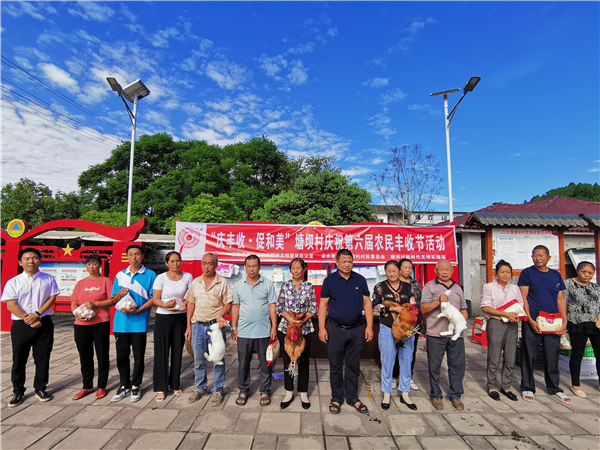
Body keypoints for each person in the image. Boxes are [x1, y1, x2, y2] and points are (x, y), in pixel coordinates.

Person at [1, 248, 60, 407]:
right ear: (20, 262)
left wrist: (37, 314)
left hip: (44, 322)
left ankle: (40, 388)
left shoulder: (49, 279)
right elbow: (11, 305)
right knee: (19, 359)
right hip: (21, 325)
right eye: (26, 258)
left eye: (34, 258)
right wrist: (30, 319)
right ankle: (18, 390)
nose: (31, 261)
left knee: (42, 358)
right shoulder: (13, 282)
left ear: (40, 260)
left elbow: (52, 298)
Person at [319, 249, 374, 415]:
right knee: (335, 365)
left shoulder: (360, 279)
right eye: (343, 261)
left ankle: (352, 397)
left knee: (353, 365)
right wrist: (322, 328)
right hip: (335, 329)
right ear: (337, 263)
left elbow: (367, 303)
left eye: (349, 261)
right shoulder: (329, 281)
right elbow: (323, 305)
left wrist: (369, 326)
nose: (347, 264)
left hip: (356, 329)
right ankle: (336, 397)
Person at [518, 245, 570, 404]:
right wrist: (529, 319)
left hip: (553, 322)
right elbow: (523, 298)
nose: (537, 258)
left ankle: (554, 388)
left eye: (540, 255)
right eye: (534, 255)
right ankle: (527, 387)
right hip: (533, 320)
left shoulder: (555, 275)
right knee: (529, 354)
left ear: (548, 257)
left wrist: (564, 320)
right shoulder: (527, 273)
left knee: (552, 355)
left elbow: (560, 299)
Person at [110, 244, 157, 403]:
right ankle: (124, 385)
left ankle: (136, 385)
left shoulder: (150, 275)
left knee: (138, 357)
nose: (134, 257)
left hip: (139, 323)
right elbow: (114, 299)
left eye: (137, 254)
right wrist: (119, 294)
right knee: (121, 356)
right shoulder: (120, 275)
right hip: (120, 323)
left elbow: (154, 298)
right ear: (127, 256)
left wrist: (139, 310)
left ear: (142, 256)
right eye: (130, 254)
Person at [185, 252, 232, 407]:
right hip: (198, 326)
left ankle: (218, 390)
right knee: (198, 360)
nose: (206, 267)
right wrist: (188, 327)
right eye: (204, 263)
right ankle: (201, 388)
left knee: (218, 360)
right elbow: (190, 303)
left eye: (210, 263)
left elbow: (228, 303)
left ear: (216, 265)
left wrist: (220, 316)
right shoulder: (195, 282)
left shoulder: (222, 282)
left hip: (215, 328)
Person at [421, 260, 468, 411]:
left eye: (447, 269)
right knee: (434, 366)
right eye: (442, 269)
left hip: (456, 335)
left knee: (457, 365)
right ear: (436, 271)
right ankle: (436, 395)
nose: (445, 272)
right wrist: (438, 301)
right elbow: (423, 308)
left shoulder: (458, 288)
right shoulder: (429, 286)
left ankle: (455, 394)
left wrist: (461, 322)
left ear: (452, 271)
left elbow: (464, 308)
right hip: (435, 333)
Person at [231, 255, 277, 407]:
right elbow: (235, 307)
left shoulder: (267, 284)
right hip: (244, 331)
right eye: (249, 266)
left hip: (263, 331)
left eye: (254, 266)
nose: (252, 269)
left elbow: (272, 306)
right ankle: (243, 390)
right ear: (245, 267)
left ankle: (265, 390)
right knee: (243, 363)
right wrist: (234, 327)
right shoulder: (239, 286)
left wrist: (273, 327)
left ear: (259, 267)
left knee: (266, 363)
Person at [372, 260, 417, 411]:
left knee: (406, 360)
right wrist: (393, 309)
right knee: (387, 361)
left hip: (406, 329)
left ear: (400, 271)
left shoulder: (409, 287)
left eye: (394, 271)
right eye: (389, 271)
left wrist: (407, 319)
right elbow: (375, 306)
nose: (391, 274)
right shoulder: (380, 287)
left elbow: (413, 306)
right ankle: (386, 393)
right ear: (385, 272)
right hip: (387, 327)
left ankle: (405, 393)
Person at [70, 254, 114, 401]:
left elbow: (112, 301)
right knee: (85, 356)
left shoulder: (106, 281)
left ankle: (102, 385)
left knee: (102, 355)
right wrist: (77, 313)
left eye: (95, 264)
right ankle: (87, 385)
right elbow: (74, 302)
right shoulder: (80, 283)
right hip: (81, 325)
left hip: (100, 323)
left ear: (100, 265)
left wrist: (95, 304)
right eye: (89, 264)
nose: (91, 267)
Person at [276, 258, 318, 410]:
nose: (295, 270)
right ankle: (289, 392)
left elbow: (313, 308)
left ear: (304, 269)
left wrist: (302, 321)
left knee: (304, 361)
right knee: (288, 360)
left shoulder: (309, 286)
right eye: (293, 268)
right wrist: (291, 320)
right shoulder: (285, 285)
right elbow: (279, 307)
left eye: (298, 268)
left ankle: (303, 393)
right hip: (286, 329)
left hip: (304, 329)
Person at [152, 251, 193, 402]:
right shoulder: (161, 278)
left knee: (177, 351)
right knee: (161, 351)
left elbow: (190, 296)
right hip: (163, 317)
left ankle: (175, 383)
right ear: (166, 263)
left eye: (178, 261)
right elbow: (155, 299)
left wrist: (183, 305)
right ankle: (160, 387)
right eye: (172, 261)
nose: (175, 264)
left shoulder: (187, 277)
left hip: (180, 317)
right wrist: (165, 305)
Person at [481, 260, 524, 402]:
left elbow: (520, 305)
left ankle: (506, 387)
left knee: (510, 357)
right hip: (496, 323)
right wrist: (505, 314)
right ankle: (491, 386)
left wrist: (516, 316)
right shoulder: (489, 287)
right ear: (497, 273)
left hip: (512, 324)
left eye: (508, 272)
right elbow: (486, 307)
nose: (505, 275)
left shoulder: (515, 288)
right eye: (502, 272)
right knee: (494, 357)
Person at [563, 261, 600, 398]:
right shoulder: (567, 284)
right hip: (576, 323)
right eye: (584, 272)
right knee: (577, 354)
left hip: (595, 324)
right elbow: (562, 303)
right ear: (578, 271)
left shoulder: (595, 287)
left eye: (590, 272)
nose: (587, 275)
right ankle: (576, 385)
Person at [395, 258, 423, 391]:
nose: (407, 270)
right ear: (399, 269)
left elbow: (417, 301)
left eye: (410, 268)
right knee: (396, 348)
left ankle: (408, 376)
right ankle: (395, 376)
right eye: (405, 267)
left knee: (411, 349)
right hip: (398, 321)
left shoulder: (415, 284)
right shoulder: (395, 283)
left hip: (413, 322)